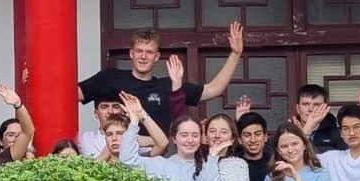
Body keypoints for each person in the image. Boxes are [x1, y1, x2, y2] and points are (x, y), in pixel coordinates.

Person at [76, 23, 244, 134]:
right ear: (131, 54)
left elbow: (214, 89)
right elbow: (72, 94)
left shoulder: (168, 86)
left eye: (149, 52)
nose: (143, 57)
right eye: (139, 51)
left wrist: (236, 54)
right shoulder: (110, 77)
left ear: (156, 57)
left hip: (154, 159)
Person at [296, 84, 360, 157]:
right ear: (297, 108)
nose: (310, 109)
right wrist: (305, 131)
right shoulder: (289, 131)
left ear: (326, 108)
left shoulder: (337, 134)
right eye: (305, 104)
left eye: (316, 105)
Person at [236, 109, 271, 181]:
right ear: (240, 139)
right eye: (247, 135)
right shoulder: (233, 164)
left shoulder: (274, 162)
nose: (253, 140)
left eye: (257, 134)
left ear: (265, 137)